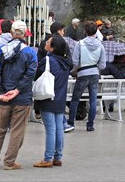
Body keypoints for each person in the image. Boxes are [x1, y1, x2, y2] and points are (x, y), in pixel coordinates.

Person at [0, 20, 37, 170]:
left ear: (11, 32)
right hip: (22, 97)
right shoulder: (30, 53)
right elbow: (30, 74)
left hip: (3, 97)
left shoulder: (1, 50)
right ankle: (9, 161)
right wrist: (17, 90)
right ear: (25, 33)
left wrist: (0, 92)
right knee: (17, 130)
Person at [33, 35, 70, 168]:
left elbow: (36, 75)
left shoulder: (47, 60)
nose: (45, 43)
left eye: (48, 42)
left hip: (48, 97)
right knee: (59, 127)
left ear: (53, 48)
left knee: (50, 129)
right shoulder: (66, 62)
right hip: (60, 98)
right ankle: (57, 157)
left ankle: (48, 158)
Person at [66, 21, 106, 132]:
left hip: (82, 73)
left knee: (75, 99)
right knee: (93, 100)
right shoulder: (101, 46)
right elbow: (103, 65)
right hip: (94, 74)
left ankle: (71, 122)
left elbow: (74, 60)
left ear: (85, 31)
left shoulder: (80, 44)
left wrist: (77, 69)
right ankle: (90, 125)